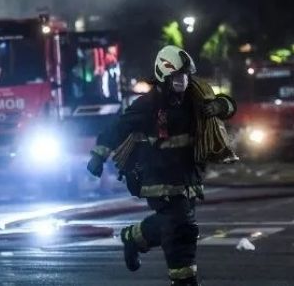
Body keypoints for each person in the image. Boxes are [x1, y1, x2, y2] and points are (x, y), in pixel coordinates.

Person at [87, 46, 236, 286]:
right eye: (177, 76)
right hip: (159, 178)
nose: (183, 81)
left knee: (172, 224)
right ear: (164, 75)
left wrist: (219, 107)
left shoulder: (195, 98)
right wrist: (98, 155)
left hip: (187, 177)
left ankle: (133, 238)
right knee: (182, 229)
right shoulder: (149, 104)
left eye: (186, 76)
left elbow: (228, 105)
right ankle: (184, 281)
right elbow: (119, 127)